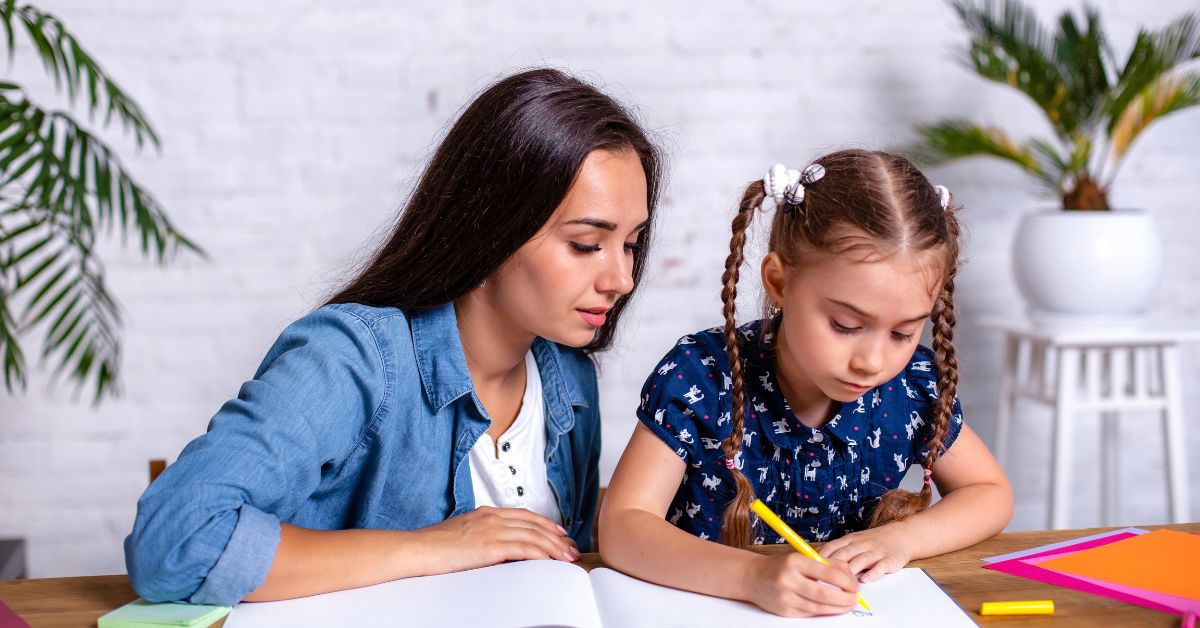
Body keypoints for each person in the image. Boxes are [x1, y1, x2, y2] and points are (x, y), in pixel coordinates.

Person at [125, 68, 663, 605]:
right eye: (587, 244)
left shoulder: (569, 379)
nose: (621, 279)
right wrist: (432, 548)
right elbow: (176, 541)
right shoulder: (353, 360)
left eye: (632, 245)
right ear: (492, 230)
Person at [599, 149, 1012, 617]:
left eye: (902, 333)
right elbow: (623, 526)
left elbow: (990, 493)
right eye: (845, 325)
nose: (873, 361)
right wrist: (752, 576)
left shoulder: (910, 389)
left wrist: (899, 539)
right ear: (779, 281)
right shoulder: (701, 375)